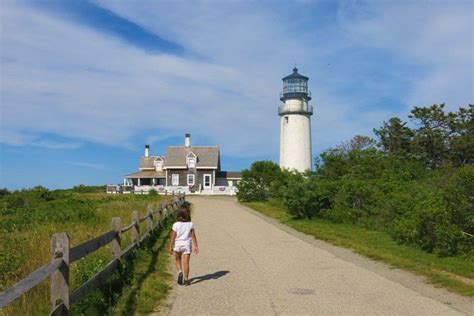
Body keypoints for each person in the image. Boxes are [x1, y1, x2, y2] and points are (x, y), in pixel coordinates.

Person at [169, 207, 199, 286]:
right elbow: (193, 235)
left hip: (178, 244)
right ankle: (186, 279)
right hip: (187, 245)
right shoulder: (190, 224)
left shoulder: (175, 225)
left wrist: (171, 246)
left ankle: (180, 271)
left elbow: (173, 236)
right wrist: (196, 246)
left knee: (177, 259)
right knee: (186, 263)